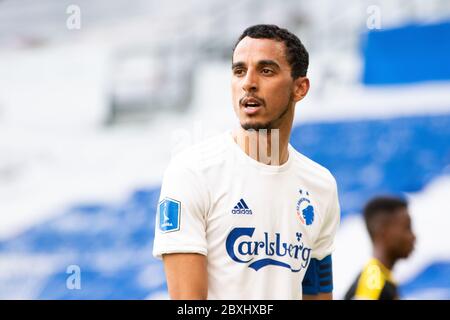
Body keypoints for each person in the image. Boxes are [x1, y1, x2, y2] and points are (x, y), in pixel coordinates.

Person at [153, 24, 340, 300]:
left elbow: (317, 292)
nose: (248, 83)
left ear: (300, 88)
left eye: (266, 70)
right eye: (239, 70)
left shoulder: (321, 184)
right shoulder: (191, 172)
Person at [344, 196, 416, 300]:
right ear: (383, 231)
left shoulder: (382, 280)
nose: (413, 236)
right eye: (407, 227)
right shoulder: (372, 282)